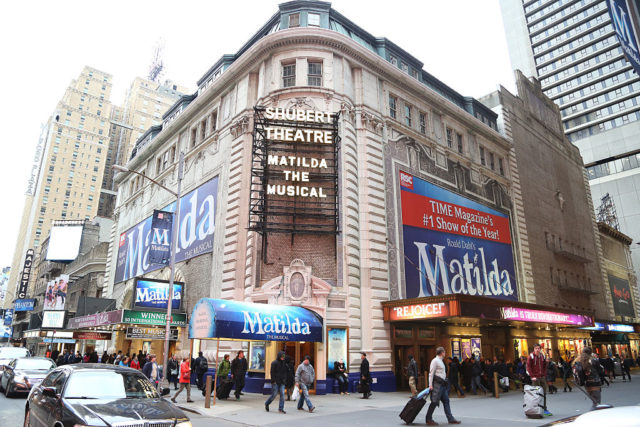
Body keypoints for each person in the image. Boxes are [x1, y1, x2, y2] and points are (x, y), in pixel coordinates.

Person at [425, 347, 461, 425]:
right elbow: (431, 373)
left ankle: (450, 418)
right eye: (444, 352)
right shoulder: (435, 361)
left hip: (443, 385)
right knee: (434, 402)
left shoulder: (441, 361)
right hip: (437, 385)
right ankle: (428, 419)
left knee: (446, 401)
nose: (445, 353)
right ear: (441, 353)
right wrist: (430, 385)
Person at [527, 344, 550, 416]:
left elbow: (544, 366)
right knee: (536, 394)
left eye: (538, 348)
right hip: (535, 378)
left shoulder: (542, 356)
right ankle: (536, 409)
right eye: (536, 348)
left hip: (542, 377)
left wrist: (546, 363)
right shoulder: (531, 356)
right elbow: (528, 367)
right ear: (534, 349)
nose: (537, 350)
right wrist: (532, 376)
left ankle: (544, 408)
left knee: (544, 393)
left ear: (540, 349)